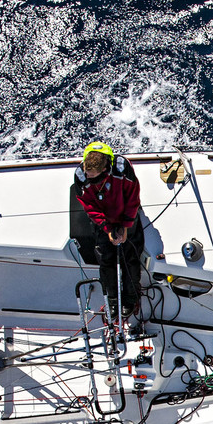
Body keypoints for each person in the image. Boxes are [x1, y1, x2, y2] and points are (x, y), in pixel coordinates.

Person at [69, 141, 145, 333]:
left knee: (130, 258)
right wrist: (106, 227)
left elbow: (133, 198)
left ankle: (130, 298)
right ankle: (112, 300)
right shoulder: (82, 178)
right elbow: (89, 206)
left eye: (93, 177)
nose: (89, 179)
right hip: (104, 223)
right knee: (107, 261)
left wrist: (126, 226)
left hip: (128, 217)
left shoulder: (122, 171)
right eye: (87, 175)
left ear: (105, 169)